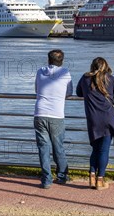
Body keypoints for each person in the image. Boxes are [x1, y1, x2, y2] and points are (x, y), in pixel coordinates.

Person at [76, 57, 114, 190]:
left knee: (95, 149)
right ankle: (100, 180)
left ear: (92, 66)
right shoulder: (109, 78)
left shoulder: (85, 78)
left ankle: (92, 177)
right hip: (108, 119)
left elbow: (79, 93)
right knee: (104, 150)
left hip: (93, 120)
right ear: (106, 66)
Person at [34, 49, 73, 189]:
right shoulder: (65, 73)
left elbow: (36, 89)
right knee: (59, 147)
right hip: (56, 114)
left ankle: (46, 180)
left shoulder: (40, 72)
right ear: (61, 61)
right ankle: (62, 176)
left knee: (43, 148)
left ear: (48, 60)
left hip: (40, 113)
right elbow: (69, 93)